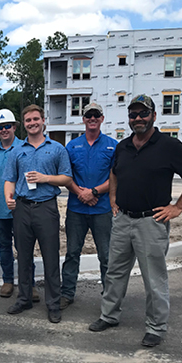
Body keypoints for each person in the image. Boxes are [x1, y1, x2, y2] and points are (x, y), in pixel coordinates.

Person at [87, 94, 182, 347]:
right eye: (133, 114)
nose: (138, 118)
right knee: (115, 272)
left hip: (151, 222)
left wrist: (178, 207)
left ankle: (156, 327)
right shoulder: (123, 146)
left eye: (143, 113)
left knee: (154, 278)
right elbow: (114, 172)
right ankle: (109, 315)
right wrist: (113, 199)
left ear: (154, 115)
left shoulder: (168, 146)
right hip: (122, 220)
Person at [4, 105, 73, 320]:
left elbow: (67, 178)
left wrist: (45, 178)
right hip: (22, 208)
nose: (32, 123)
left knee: (51, 257)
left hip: (46, 207)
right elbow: (9, 179)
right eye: (28, 120)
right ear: (23, 124)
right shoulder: (17, 150)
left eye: (36, 119)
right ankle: (24, 298)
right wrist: (8, 197)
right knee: (23, 257)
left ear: (44, 120)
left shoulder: (57, 149)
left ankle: (53, 303)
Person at [62, 102, 116, 308]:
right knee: (72, 253)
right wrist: (81, 194)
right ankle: (67, 293)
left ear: (102, 118)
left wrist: (93, 192)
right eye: (88, 115)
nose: (92, 118)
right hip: (76, 209)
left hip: (102, 210)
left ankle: (109, 297)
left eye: (96, 115)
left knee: (106, 255)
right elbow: (66, 176)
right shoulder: (72, 146)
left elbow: (116, 178)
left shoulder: (113, 146)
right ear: (83, 119)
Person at [0, 108, 33, 300]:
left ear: (14, 127)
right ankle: (8, 280)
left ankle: (29, 283)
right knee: (4, 246)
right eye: (0, 127)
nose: (4, 130)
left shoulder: (26, 148)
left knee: (25, 247)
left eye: (7, 126)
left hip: (22, 208)